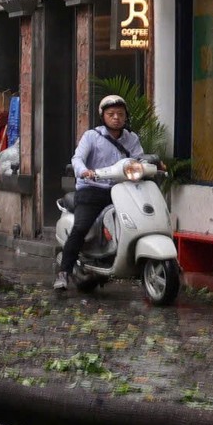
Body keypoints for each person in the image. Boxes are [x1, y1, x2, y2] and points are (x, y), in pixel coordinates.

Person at [56, 93, 145, 293]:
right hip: (92, 190)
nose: (116, 118)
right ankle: (64, 272)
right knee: (81, 227)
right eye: (111, 114)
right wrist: (83, 171)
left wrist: (151, 165)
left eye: (120, 114)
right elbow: (77, 158)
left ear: (126, 117)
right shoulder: (92, 136)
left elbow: (139, 159)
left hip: (122, 190)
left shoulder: (132, 139)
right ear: (103, 116)